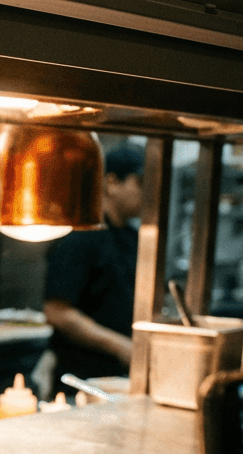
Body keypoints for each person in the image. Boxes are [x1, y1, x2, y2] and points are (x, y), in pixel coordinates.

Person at [42, 143, 146, 397]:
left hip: (124, 379)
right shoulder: (81, 236)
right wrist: (121, 346)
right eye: (141, 182)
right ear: (111, 183)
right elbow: (58, 313)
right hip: (81, 382)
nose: (151, 192)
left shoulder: (135, 238)